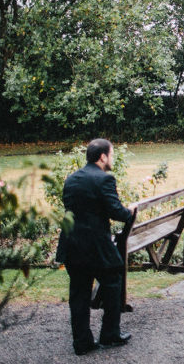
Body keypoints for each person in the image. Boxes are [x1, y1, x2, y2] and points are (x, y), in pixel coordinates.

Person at [55, 138, 135, 356]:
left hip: (72, 244)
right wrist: (129, 212)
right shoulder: (104, 179)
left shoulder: (71, 179)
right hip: (96, 246)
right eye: (111, 154)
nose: (112, 158)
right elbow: (116, 212)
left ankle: (82, 342)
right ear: (102, 157)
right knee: (112, 283)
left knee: (79, 293)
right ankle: (110, 334)